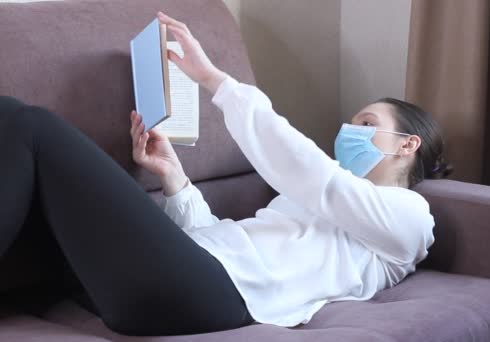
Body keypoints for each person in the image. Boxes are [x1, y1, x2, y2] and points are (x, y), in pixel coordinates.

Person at [0, 11, 451, 337]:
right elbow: (214, 239)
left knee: (32, 125)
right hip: (185, 275)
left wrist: (215, 79)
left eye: (367, 124)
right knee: (21, 136)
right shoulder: (296, 202)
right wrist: (173, 175)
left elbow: (318, 177)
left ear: (407, 145)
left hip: (208, 297)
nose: (350, 131)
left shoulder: (409, 217)